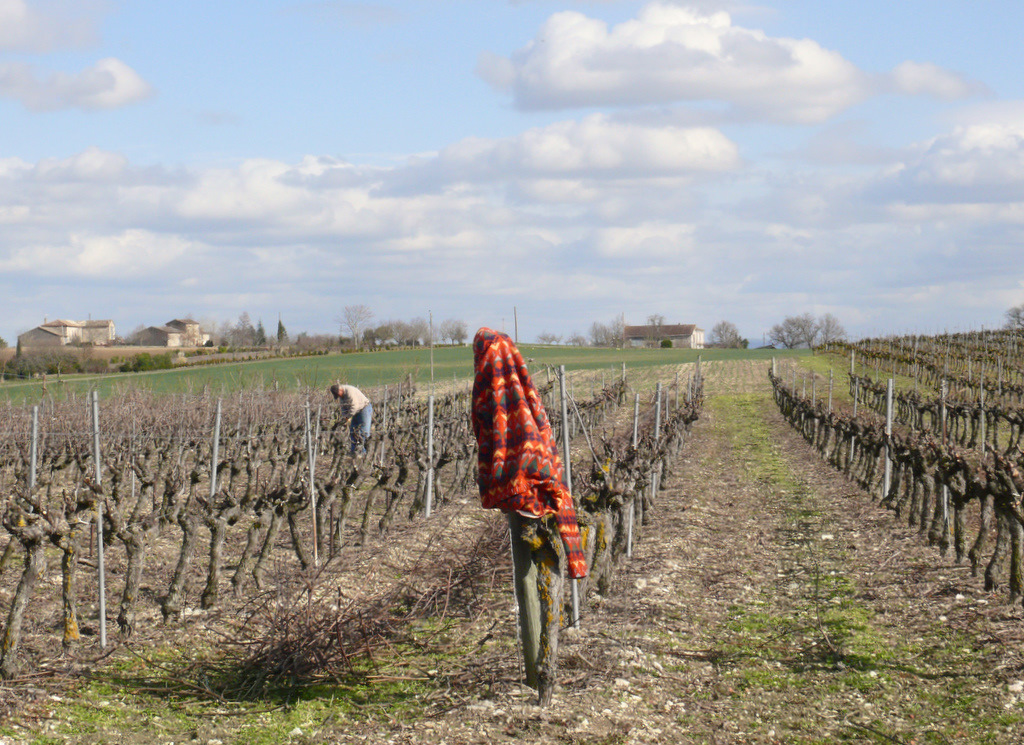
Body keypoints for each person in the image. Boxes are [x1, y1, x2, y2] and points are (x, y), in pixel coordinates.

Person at [329, 382, 372, 454]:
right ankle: (354, 451)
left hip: (364, 409)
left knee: (363, 432)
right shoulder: (342, 396)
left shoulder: (349, 392)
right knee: (353, 430)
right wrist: (343, 418)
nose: (338, 397)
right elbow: (343, 407)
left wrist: (347, 417)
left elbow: (355, 406)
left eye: (338, 394)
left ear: (340, 390)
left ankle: (363, 453)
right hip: (356, 412)